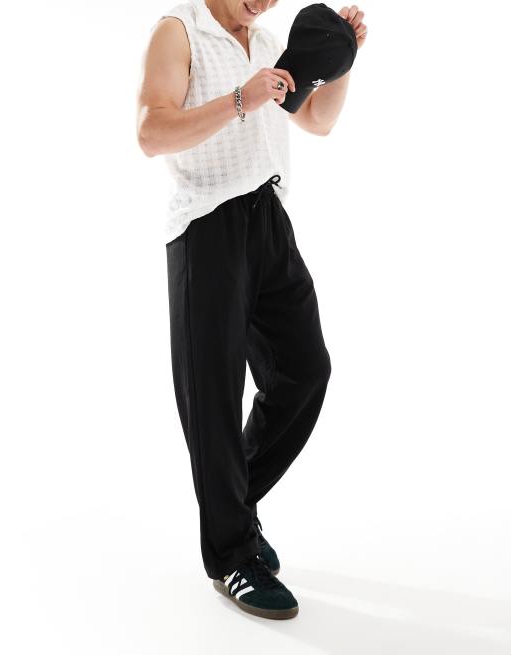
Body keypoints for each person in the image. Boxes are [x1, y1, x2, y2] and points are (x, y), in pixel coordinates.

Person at [136, 0, 367, 620]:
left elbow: (316, 120)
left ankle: (230, 510)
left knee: (304, 371)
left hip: (269, 219)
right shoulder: (178, 31)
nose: (263, 3)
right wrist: (241, 99)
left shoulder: (264, 42)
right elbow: (152, 132)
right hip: (206, 226)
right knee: (213, 398)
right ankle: (231, 555)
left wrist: (341, 61)